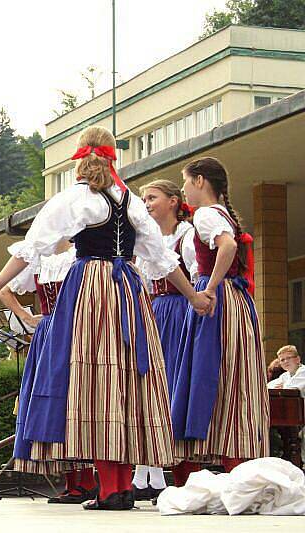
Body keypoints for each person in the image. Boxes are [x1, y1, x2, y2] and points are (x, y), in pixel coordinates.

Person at [0, 126, 209, 511]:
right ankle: (121, 486)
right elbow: (162, 260)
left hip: (90, 288)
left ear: (80, 159)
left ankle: (108, 488)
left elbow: (31, 248)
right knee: (126, 383)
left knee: (95, 383)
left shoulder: (74, 199)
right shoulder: (130, 201)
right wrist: (194, 296)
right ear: (112, 157)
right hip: (129, 289)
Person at [170, 156, 269, 485]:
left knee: (215, 375)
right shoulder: (222, 214)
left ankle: (229, 463)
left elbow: (225, 247)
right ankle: (238, 458)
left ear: (199, 181)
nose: (184, 188)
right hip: (236, 300)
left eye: (185, 181)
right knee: (234, 376)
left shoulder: (206, 215)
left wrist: (209, 288)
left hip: (220, 299)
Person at [0, 242, 98, 504]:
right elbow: (4, 289)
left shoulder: (79, 257)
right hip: (49, 334)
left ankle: (86, 480)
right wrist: (27, 317)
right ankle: (71, 481)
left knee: (74, 401)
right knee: (55, 406)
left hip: (75, 332)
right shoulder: (39, 259)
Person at [132, 179, 197, 499]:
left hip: (179, 310)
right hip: (154, 312)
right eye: (143, 198)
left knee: (172, 384)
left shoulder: (186, 235)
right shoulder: (148, 241)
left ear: (173, 201)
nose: (146, 203)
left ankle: (174, 470)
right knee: (151, 387)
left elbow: (194, 276)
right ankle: (149, 473)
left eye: (152, 198)